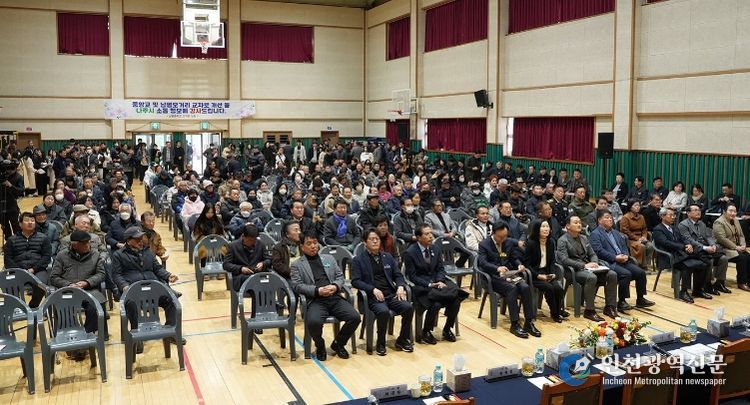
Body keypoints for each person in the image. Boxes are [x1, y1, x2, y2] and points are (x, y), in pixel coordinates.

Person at [111, 227, 182, 353]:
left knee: (171, 300)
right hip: (132, 290)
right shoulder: (118, 255)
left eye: (141, 238)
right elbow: (117, 275)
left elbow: (157, 268)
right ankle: (136, 335)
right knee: (131, 305)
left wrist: (168, 275)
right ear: (129, 240)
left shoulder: (147, 251)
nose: (141, 241)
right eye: (137, 239)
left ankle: (170, 332)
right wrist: (124, 286)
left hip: (152, 289)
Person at [291, 233, 361, 361]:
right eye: (309, 244)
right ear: (302, 247)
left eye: (315, 242)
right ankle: (320, 345)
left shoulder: (329, 258)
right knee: (314, 322)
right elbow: (297, 286)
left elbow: (340, 277)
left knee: (355, 317)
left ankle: (338, 344)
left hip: (334, 297)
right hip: (315, 300)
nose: (313, 246)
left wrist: (335, 286)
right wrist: (317, 291)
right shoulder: (297, 264)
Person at [351, 229, 414, 356]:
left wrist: (400, 286)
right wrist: (372, 289)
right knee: (383, 311)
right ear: (365, 242)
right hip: (372, 298)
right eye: (371, 239)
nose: (375, 241)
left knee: (408, 307)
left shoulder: (387, 257)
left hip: (390, 295)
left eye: (377, 239)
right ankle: (380, 342)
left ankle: (402, 339)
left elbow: (398, 275)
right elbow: (355, 281)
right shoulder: (358, 260)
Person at [404, 224, 467, 345]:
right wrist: (429, 284)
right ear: (418, 237)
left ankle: (447, 329)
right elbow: (412, 276)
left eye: (431, 233)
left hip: (438, 283)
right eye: (426, 234)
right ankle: (426, 331)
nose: (430, 236)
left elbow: (440, 269)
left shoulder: (435, 248)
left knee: (456, 300)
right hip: (422, 287)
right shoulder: (410, 252)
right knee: (436, 304)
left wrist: (440, 281)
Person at [477, 221, 541, 338]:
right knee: (512, 289)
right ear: (493, 233)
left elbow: (513, 258)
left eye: (505, 236)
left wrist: (519, 265)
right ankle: (514, 324)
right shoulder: (484, 244)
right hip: (493, 277)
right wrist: (497, 268)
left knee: (525, 287)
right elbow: (483, 263)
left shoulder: (508, 242)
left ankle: (529, 322)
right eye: (500, 237)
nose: (503, 239)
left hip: (509, 274)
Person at [589, 210, 654, 312]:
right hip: (610, 262)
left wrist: (625, 255)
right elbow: (599, 251)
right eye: (606, 217)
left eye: (610, 217)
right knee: (626, 274)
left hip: (623, 260)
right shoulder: (595, 234)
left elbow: (624, 246)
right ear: (599, 220)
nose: (610, 219)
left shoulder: (616, 232)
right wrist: (615, 257)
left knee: (640, 273)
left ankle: (640, 299)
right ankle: (622, 301)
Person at [556, 216, 618, 322]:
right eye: (576, 222)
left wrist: (594, 262)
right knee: (591, 277)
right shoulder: (562, 240)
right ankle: (589, 310)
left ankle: (610, 307)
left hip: (589, 268)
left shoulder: (584, 238)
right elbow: (564, 260)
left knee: (612, 274)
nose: (579, 224)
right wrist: (584, 265)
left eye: (580, 222)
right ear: (568, 226)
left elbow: (592, 254)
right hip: (573, 270)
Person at [50, 230, 106, 342]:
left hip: (88, 290)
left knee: (95, 307)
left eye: (89, 242)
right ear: (75, 245)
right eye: (84, 243)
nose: (88, 245)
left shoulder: (95, 254)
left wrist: (87, 282)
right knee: (65, 309)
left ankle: (86, 334)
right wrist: (69, 284)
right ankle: (69, 336)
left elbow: (101, 274)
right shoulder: (62, 255)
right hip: (68, 291)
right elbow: (54, 277)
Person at [653, 207, 710, 303]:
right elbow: (666, 243)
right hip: (668, 256)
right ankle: (683, 292)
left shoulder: (674, 228)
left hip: (681, 254)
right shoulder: (658, 229)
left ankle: (698, 290)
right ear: (663, 216)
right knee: (687, 266)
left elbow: (683, 238)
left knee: (703, 264)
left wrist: (688, 244)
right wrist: (683, 247)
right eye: (670, 215)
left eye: (674, 215)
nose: (673, 217)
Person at [3, 212, 52, 307]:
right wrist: (20, 271)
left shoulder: (43, 238)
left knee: (41, 285)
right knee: (8, 283)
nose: (30, 222)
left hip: (37, 270)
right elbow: (7, 259)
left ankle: (33, 307)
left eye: (32, 220)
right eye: (27, 220)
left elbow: (46, 257)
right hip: (17, 271)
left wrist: (34, 269)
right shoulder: (11, 240)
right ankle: (17, 307)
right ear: (20, 224)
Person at [678, 204, 730, 295]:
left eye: (699, 210)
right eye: (695, 210)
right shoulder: (683, 224)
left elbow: (708, 236)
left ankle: (719, 283)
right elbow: (689, 240)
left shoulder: (701, 223)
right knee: (709, 259)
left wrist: (712, 245)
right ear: (688, 213)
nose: (698, 212)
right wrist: (705, 248)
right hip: (694, 250)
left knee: (723, 258)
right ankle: (706, 285)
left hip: (706, 248)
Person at [524, 220, 567, 323]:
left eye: (547, 226)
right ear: (537, 229)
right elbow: (527, 265)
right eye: (543, 226)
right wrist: (538, 276)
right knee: (549, 288)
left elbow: (552, 261)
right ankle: (555, 313)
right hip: (534, 275)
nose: (546, 229)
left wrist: (552, 273)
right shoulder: (530, 243)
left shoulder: (551, 242)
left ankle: (558, 311)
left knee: (558, 288)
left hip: (546, 272)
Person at [222, 224, 271, 292]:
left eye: (254, 240)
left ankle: (265, 298)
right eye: (250, 240)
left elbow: (268, 259)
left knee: (268, 282)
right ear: (243, 236)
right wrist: (240, 268)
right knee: (256, 283)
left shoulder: (260, 244)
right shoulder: (233, 246)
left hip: (258, 274)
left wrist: (263, 263)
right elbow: (226, 264)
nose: (252, 242)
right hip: (242, 277)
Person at [712, 204, 750, 291]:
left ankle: (748, 281)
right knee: (742, 258)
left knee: (748, 256)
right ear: (724, 212)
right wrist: (736, 247)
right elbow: (722, 239)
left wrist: (743, 245)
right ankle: (741, 282)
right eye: (730, 211)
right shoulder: (719, 222)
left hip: (736, 248)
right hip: (723, 248)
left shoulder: (736, 220)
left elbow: (741, 235)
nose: (733, 213)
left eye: (735, 211)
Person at [619, 200, 654, 269]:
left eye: (638, 205)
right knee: (641, 246)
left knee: (650, 246)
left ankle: (647, 264)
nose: (638, 207)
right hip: (630, 239)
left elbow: (644, 229)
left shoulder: (641, 217)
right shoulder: (626, 217)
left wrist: (644, 237)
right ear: (630, 207)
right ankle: (640, 266)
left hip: (641, 238)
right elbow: (625, 231)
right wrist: (637, 238)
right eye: (635, 205)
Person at [0, 159, 24, 239]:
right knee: (4, 225)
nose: (9, 171)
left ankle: (18, 240)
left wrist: (11, 186)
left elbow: (20, 191)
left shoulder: (19, 177)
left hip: (12, 205)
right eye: (7, 169)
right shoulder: (2, 176)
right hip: (1, 205)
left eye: (12, 169)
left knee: (15, 225)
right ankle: (9, 241)